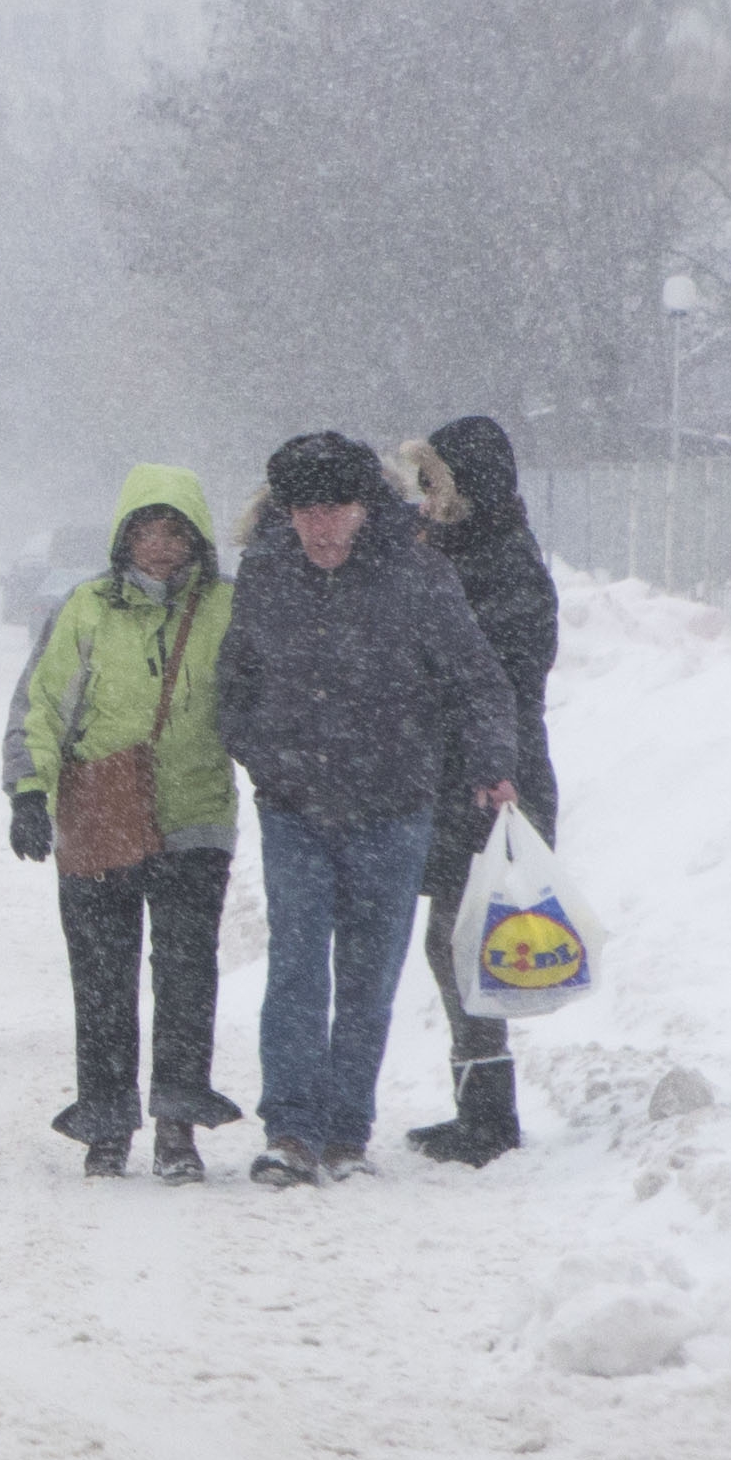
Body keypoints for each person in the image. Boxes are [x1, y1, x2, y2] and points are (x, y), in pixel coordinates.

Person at [216, 432, 517, 1188]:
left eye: (336, 508)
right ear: (283, 514)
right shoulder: (264, 576)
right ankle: (289, 1129)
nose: (320, 526)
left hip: (392, 808)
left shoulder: (414, 573)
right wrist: (266, 758)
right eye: (304, 511)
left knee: (367, 975)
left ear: (363, 507)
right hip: (294, 807)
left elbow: (475, 677)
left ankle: (347, 1130)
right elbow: (235, 684)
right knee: (294, 968)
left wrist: (488, 762)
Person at [1, 465, 244, 1181]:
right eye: (145, 530)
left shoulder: (228, 609)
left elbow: (260, 700)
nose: (160, 546)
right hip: (99, 814)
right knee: (102, 978)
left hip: (194, 819)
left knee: (185, 976)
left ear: (196, 537)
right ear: (123, 537)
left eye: (174, 531)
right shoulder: (84, 609)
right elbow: (40, 706)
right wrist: (27, 792)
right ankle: (105, 1121)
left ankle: (177, 1122)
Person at [395, 416, 561, 1165]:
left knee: (463, 940)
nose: (424, 498)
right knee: (454, 940)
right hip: (464, 774)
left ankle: (489, 1115)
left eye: (433, 482)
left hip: (496, 778)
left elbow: (496, 672)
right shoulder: (466, 550)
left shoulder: (499, 560)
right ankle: (479, 1104)